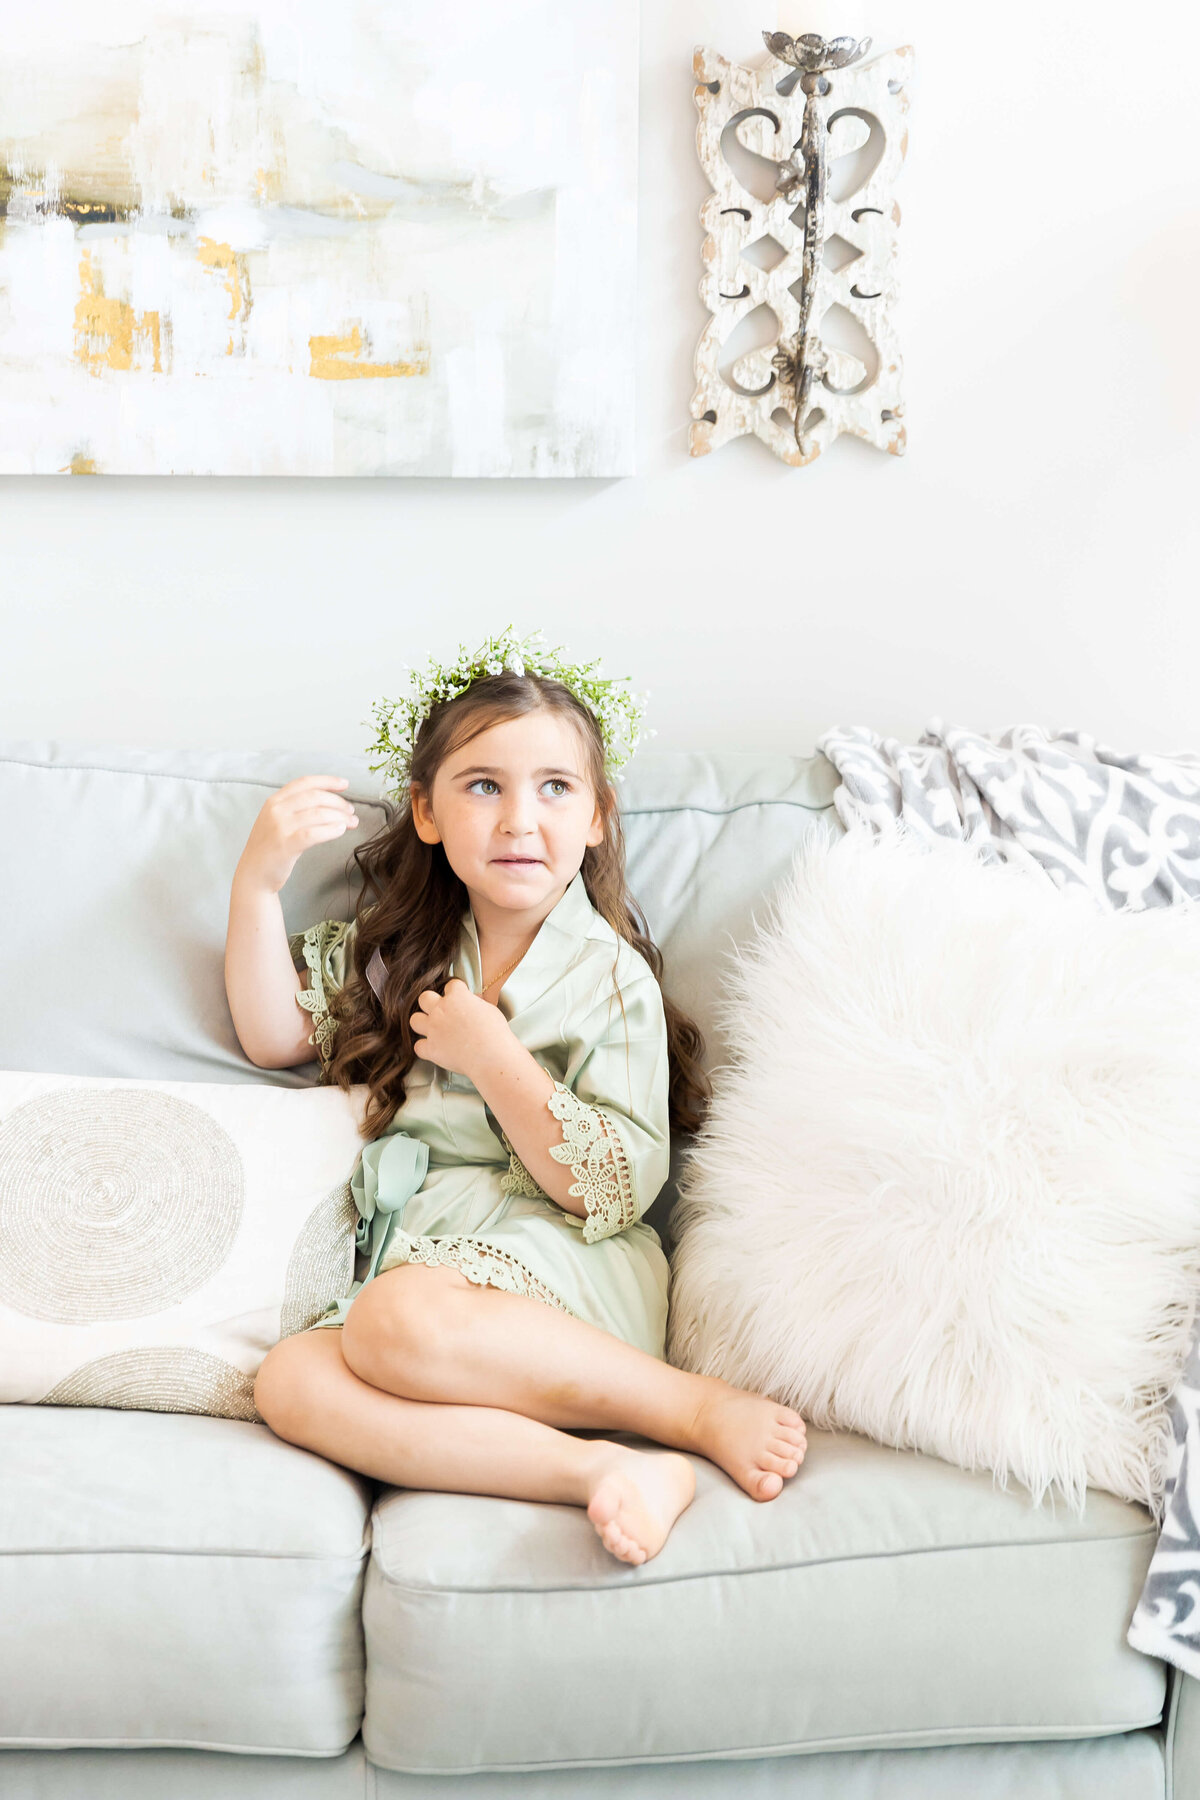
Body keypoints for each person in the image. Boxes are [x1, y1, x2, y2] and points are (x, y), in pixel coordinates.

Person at [225, 628, 806, 1565]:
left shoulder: (609, 978)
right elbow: (272, 1035)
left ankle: (689, 1409)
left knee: (390, 1320)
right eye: (483, 786)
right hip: (428, 1271)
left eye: (555, 789)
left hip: (565, 1262)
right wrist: (258, 884)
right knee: (292, 1381)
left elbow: (607, 1189)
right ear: (426, 811)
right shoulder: (400, 953)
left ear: (596, 818)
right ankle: (601, 1475)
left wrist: (493, 1055)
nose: (518, 820)